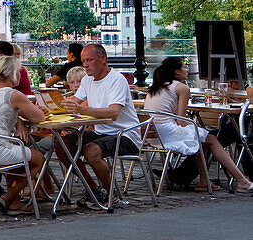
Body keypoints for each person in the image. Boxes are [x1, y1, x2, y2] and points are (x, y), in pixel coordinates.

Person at [143, 57, 253, 192]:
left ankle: (204, 181)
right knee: (210, 139)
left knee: (204, 138)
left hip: (152, 134)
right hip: (167, 133)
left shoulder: (156, 87)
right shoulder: (182, 88)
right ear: (177, 72)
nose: (187, 69)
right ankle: (242, 181)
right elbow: (181, 121)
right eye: (184, 67)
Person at [61, 44, 142, 208]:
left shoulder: (117, 80)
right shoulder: (87, 80)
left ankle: (111, 193)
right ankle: (93, 189)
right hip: (102, 131)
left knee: (91, 151)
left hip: (125, 134)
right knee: (62, 144)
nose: (85, 65)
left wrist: (84, 110)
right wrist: (51, 105)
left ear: (103, 59)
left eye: (89, 60)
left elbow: (114, 113)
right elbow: (75, 101)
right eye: (83, 61)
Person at [0, 57, 48, 215]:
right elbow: (39, 118)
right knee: (38, 159)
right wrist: (38, 111)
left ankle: (15, 203)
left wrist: (18, 117)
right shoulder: (13, 94)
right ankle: (7, 197)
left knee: (17, 155)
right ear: (13, 74)